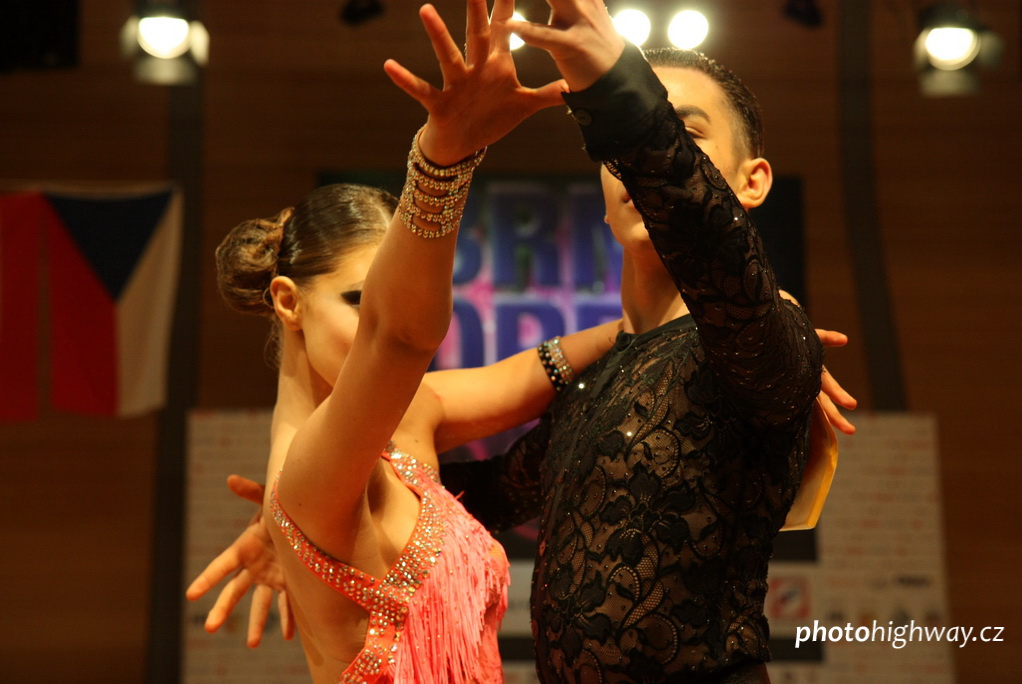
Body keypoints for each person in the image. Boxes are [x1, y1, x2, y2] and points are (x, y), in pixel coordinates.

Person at [189, 1, 859, 681]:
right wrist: (302, 517)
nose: (643, 162)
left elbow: (708, 236)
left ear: (752, 181)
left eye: (683, 134)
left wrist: (613, 83)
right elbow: (459, 500)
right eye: (626, 147)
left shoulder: (760, 341)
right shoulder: (601, 381)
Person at [197, 1, 626, 681]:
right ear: (288, 301)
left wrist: (698, 317)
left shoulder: (402, 420)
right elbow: (399, 336)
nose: (379, 322)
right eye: (359, 303)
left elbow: (534, 371)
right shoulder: (309, 474)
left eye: (383, 304)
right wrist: (442, 159)